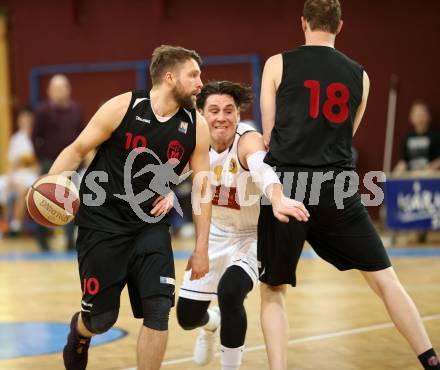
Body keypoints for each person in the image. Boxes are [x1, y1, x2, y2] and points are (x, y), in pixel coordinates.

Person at [258, 1, 440, 369]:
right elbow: (348, 134)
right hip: (338, 187)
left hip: (289, 185)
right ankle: (431, 359)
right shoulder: (361, 75)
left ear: (303, 23)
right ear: (340, 26)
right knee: (385, 281)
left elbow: (267, 135)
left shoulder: (277, 63)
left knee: (273, 289)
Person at [47, 45, 211, 370]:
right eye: (193, 75)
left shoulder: (196, 124)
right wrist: (49, 185)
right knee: (101, 319)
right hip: (102, 222)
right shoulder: (123, 106)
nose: (200, 82)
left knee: (159, 308)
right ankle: (80, 333)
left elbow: (202, 189)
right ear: (169, 77)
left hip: (149, 224)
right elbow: (77, 148)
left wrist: (201, 248)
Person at [176, 81, 308, 370]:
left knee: (231, 292)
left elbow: (261, 167)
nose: (221, 117)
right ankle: (212, 324)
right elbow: (169, 173)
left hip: (252, 235)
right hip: (215, 232)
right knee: (186, 317)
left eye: (229, 110)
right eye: (213, 110)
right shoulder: (193, 141)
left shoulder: (247, 139)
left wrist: (277, 197)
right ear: (200, 113)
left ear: (238, 114)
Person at [32, 74, 85, 250]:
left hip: (72, 163)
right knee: (43, 199)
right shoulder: (42, 111)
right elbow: (35, 137)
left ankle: (70, 241)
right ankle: (42, 242)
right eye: (56, 88)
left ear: (68, 90)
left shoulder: (76, 110)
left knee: (70, 201)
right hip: (49, 162)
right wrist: (43, 159)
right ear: (49, 91)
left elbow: (82, 135)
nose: (60, 91)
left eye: (63, 87)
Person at [6, 107, 39, 235]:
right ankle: (6, 224)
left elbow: (38, 163)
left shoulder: (37, 137)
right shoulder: (16, 139)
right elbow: (12, 163)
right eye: (22, 119)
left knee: (22, 188)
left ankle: (16, 224)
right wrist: (10, 177)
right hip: (18, 174)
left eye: (28, 119)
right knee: (7, 185)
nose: (25, 121)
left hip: (33, 174)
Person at [393, 100, 440, 175]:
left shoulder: (436, 136)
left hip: (430, 175)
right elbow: (404, 161)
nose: (420, 118)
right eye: (417, 115)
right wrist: (395, 174)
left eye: (423, 114)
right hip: (411, 175)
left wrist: (431, 168)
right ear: (411, 117)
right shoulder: (408, 138)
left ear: (429, 116)